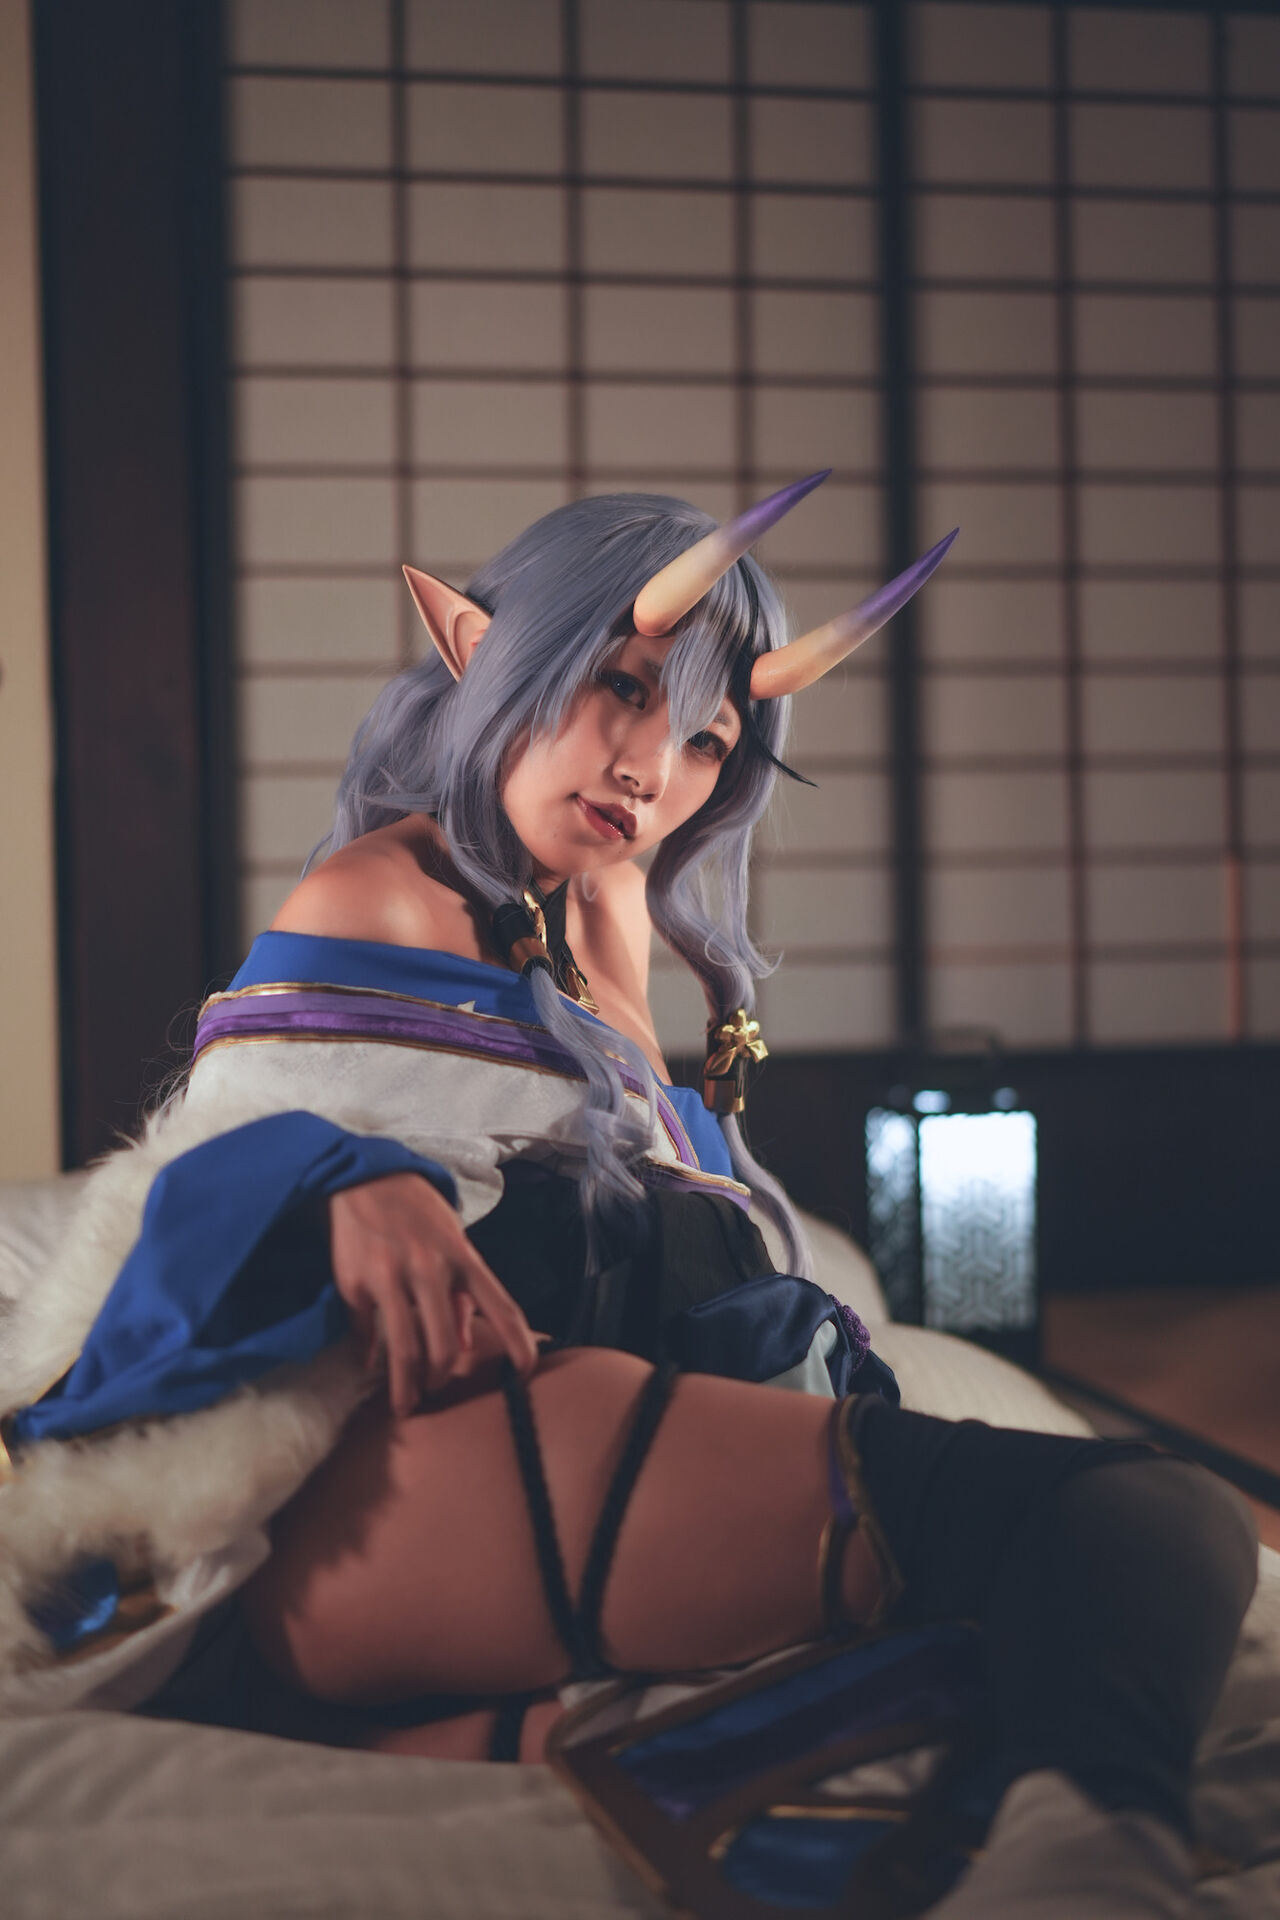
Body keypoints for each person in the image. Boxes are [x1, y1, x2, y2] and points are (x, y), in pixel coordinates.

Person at [0, 481, 1257, 1914]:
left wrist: (616, 931)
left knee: (1062, 1609)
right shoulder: (381, 891)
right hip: (390, 1509)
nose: (653, 765)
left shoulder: (604, 930)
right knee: (1146, 1516)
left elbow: (670, 1221)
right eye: (621, 685)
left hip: (532, 1503)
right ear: (480, 648)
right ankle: (1095, 1876)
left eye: (710, 736)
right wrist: (347, 1179)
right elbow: (190, 1175)